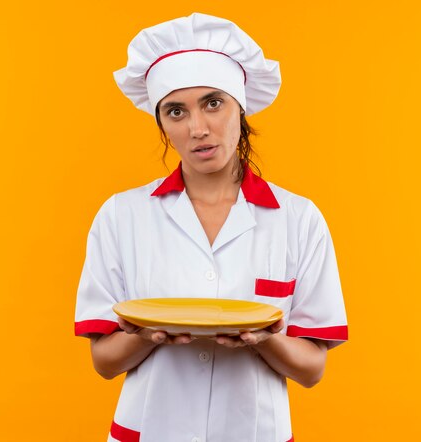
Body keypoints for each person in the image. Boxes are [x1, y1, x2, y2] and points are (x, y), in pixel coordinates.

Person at [74, 12, 348, 442]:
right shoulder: (121, 216)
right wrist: (148, 335)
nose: (198, 128)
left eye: (213, 102)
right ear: (161, 123)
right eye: (176, 111)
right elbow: (104, 362)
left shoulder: (298, 219)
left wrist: (263, 339)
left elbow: (312, 369)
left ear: (241, 105)